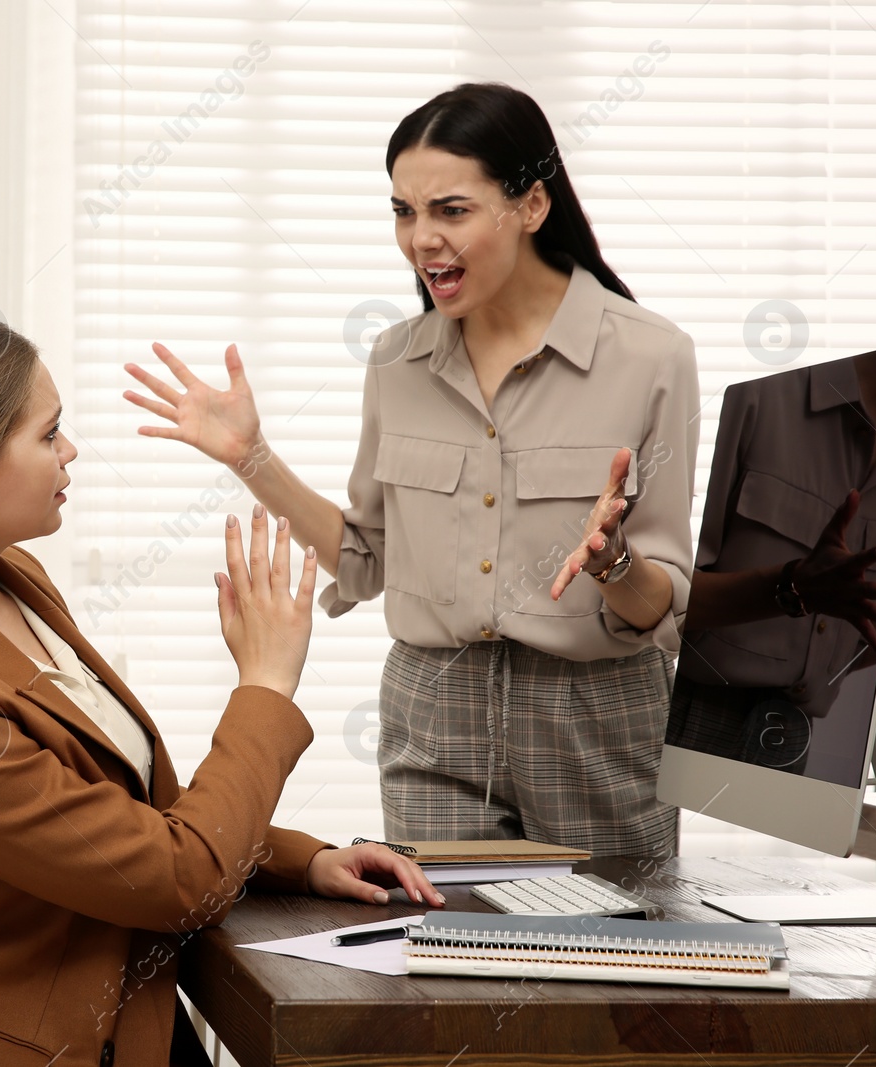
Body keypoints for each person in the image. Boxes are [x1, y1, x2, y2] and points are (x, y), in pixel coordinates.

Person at [0, 317, 442, 1067]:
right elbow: (176, 880)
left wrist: (302, 858)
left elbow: (117, 816)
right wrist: (265, 683)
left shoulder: (12, 581)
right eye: (50, 433)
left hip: (115, 998)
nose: (71, 450)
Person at [122, 82, 699, 858]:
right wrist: (252, 459)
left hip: (596, 714)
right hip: (435, 708)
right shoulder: (397, 360)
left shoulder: (651, 355)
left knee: (616, 959)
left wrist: (616, 563)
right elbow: (367, 559)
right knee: (441, 956)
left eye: (450, 210)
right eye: (403, 211)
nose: (420, 238)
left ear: (531, 205)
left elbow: (669, 601)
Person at [668, 342, 876, 776]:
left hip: (794, 734)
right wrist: (791, 588)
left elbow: (857, 626)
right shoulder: (753, 393)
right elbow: (653, 593)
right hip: (690, 715)